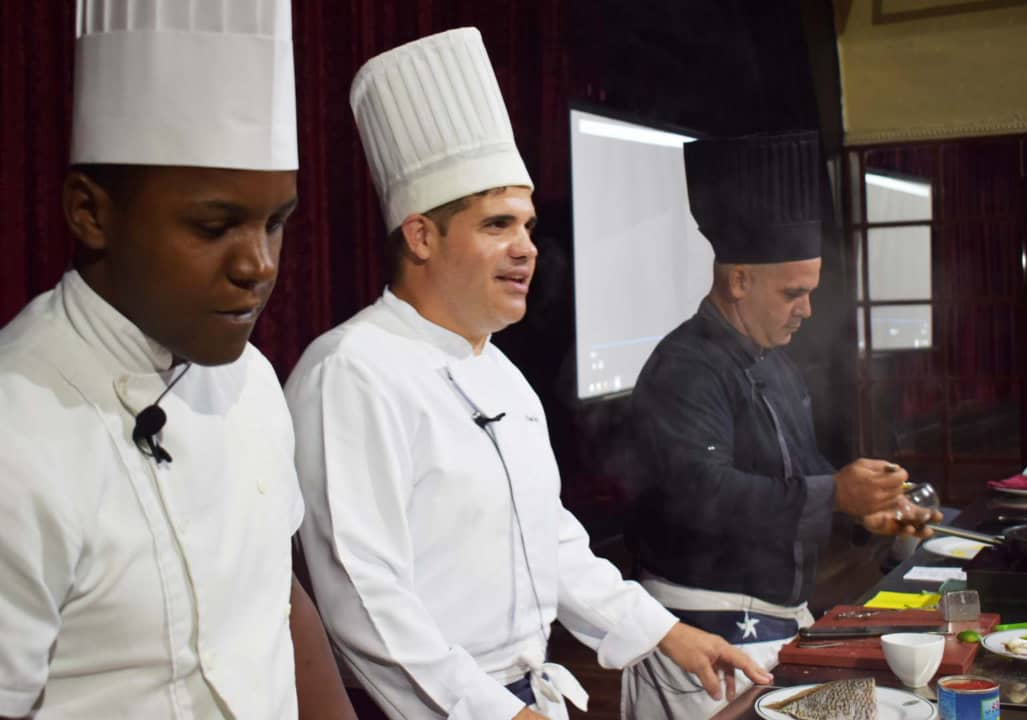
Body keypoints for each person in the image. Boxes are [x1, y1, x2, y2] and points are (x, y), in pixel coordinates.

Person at [285, 27, 771, 720]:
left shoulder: (503, 373)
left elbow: (551, 539)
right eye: (497, 226)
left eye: (529, 227)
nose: (526, 250)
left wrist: (668, 632)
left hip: (520, 697)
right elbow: (366, 599)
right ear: (421, 235)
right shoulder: (349, 372)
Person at [0, 2, 354, 718]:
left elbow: (276, 602)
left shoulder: (253, 381)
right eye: (214, 225)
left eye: (276, 223)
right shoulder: (17, 430)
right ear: (89, 212)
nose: (259, 265)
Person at [620, 131, 940, 718]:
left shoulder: (776, 362)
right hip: (706, 642)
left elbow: (802, 471)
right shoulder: (684, 368)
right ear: (739, 281)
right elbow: (704, 494)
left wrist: (861, 508)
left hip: (778, 627)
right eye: (794, 292)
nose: (808, 309)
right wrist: (832, 494)